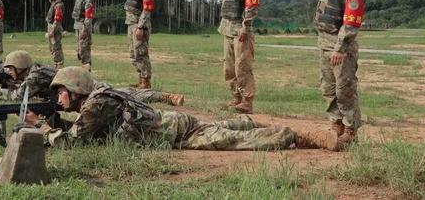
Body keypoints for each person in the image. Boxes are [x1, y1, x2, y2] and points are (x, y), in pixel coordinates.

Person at [24, 67, 339, 151]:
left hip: (172, 132)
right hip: (170, 123)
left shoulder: (94, 104)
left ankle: (299, 136)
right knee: (228, 129)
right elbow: (84, 130)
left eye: (62, 92)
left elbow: (73, 141)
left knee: (233, 142)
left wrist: (43, 127)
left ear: (77, 89)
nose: (59, 98)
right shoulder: (96, 101)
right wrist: (55, 119)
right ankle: (245, 120)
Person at [309, 0, 365, 146]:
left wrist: (340, 48)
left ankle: (350, 131)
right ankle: (336, 124)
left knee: (345, 89)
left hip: (341, 46)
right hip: (324, 42)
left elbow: (351, 22)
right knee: (328, 87)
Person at [0, 51, 184, 106]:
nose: (8, 73)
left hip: (88, 88)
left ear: (21, 66)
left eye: (11, 69)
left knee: (127, 95)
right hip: (78, 90)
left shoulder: (35, 75)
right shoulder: (31, 73)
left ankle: (165, 97)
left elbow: (17, 97)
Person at [206, 0, 259, 114]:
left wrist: (246, 27)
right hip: (227, 29)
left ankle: (247, 101)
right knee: (229, 67)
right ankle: (235, 98)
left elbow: (251, 8)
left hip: (240, 30)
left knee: (242, 66)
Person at [61, 0, 95, 70]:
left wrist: (85, 29)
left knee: (84, 51)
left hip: (84, 26)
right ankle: (85, 69)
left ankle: (86, 72)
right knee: (80, 51)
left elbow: (88, 17)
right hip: (77, 25)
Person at [41, 0, 65, 67]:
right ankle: (56, 63)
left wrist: (51, 31)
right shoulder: (54, 2)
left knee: (56, 46)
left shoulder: (58, 5)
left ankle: (59, 64)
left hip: (55, 28)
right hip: (51, 26)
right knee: (52, 47)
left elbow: (57, 20)